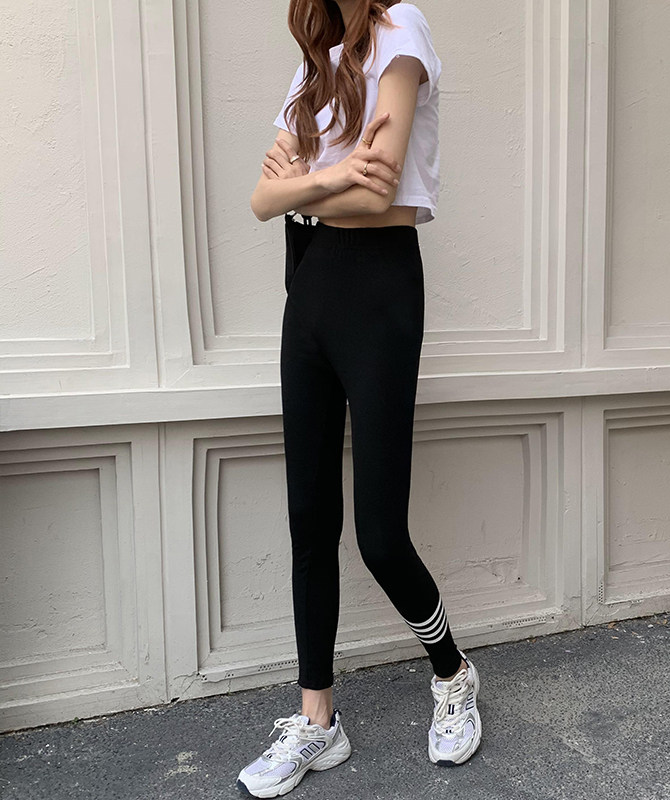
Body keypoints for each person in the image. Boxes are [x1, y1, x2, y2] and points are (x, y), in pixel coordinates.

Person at [239, 2, 481, 795]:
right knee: (309, 518)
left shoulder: (400, 30)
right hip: (308, 293)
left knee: (380, 535)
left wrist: (302, 187)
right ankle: (318, 721)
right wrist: (330, 179)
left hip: (379, 292)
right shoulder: (315, 64)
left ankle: (452, 673)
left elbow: (381, 197)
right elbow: (260, 199)